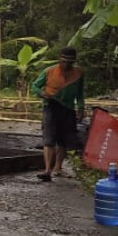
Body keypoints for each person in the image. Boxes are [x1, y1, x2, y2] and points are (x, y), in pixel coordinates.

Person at [30, 46, 85, 182]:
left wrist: (81, 108)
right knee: (49, 139)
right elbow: (35, 86)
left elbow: (80, 93)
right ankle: (47, 170)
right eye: (64, 61)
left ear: (74, 62)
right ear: (59, 60)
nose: (67, 64)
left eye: (70, 62)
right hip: (51, 106)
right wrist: (42, 93)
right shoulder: (49, 71)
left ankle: (58, 167)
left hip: (68, 108)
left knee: (63, 140)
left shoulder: (78, 74)